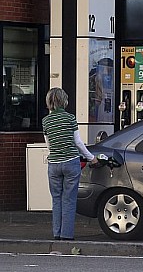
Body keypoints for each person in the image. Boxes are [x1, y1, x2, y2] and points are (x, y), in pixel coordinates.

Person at [42, 87, 98, 240]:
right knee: (69, 199)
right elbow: (78, 143)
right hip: (70, 162)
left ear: (49, 102)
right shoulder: (70, 118)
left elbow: (49, 146)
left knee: (56, 199)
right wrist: (91, 157)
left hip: (53, 164)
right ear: (64, 101)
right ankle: (67, 235)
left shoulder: (45, 121)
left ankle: (56, 233)